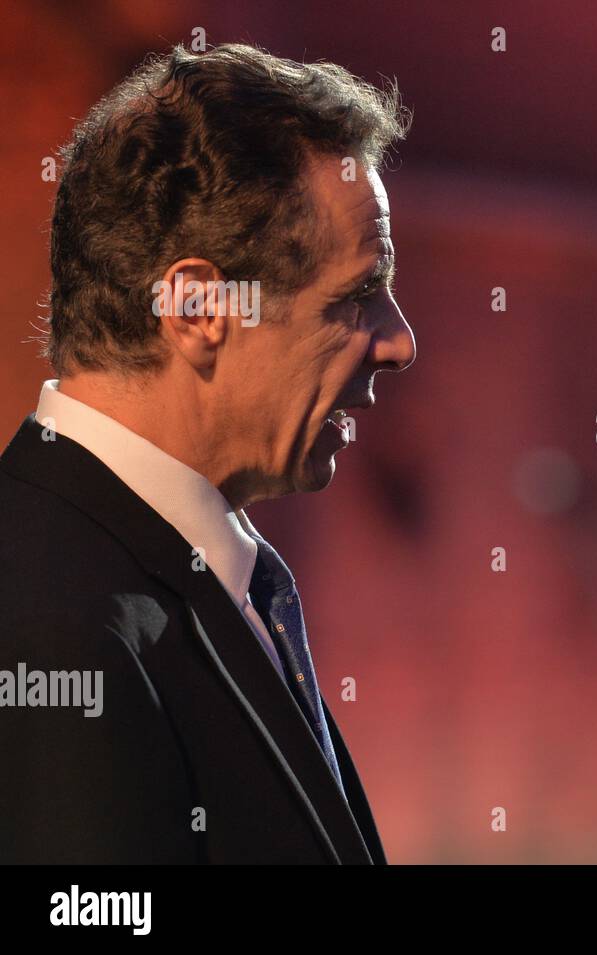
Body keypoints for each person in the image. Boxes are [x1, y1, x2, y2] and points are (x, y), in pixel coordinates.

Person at [0, 43, 415, 863]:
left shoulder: (170, 582)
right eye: (358, 296)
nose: (399, 342)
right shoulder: (49, 626)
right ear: (198, 308)